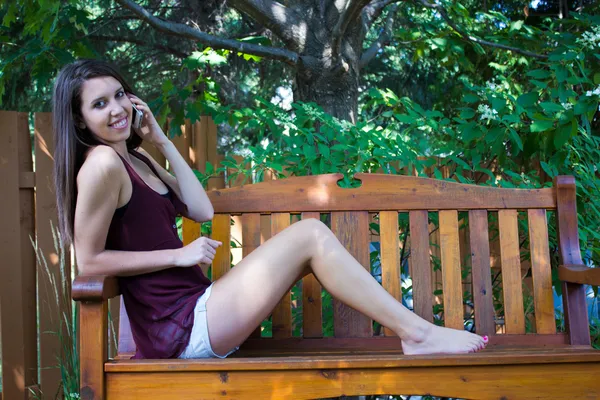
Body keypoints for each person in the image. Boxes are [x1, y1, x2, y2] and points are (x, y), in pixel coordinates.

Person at [53, 59, 488, 360]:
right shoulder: (102, 165)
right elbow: (88, 260)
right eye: (99, 104)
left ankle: (416, 333)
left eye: (119, 95)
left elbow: (201, 210)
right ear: (79, 121)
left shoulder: (135, 158)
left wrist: (161, 142)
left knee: (310, 240)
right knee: (310, 234)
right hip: (179, 328)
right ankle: (416, 333)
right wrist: (177, 255)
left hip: (196, 307)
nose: (116, 110)